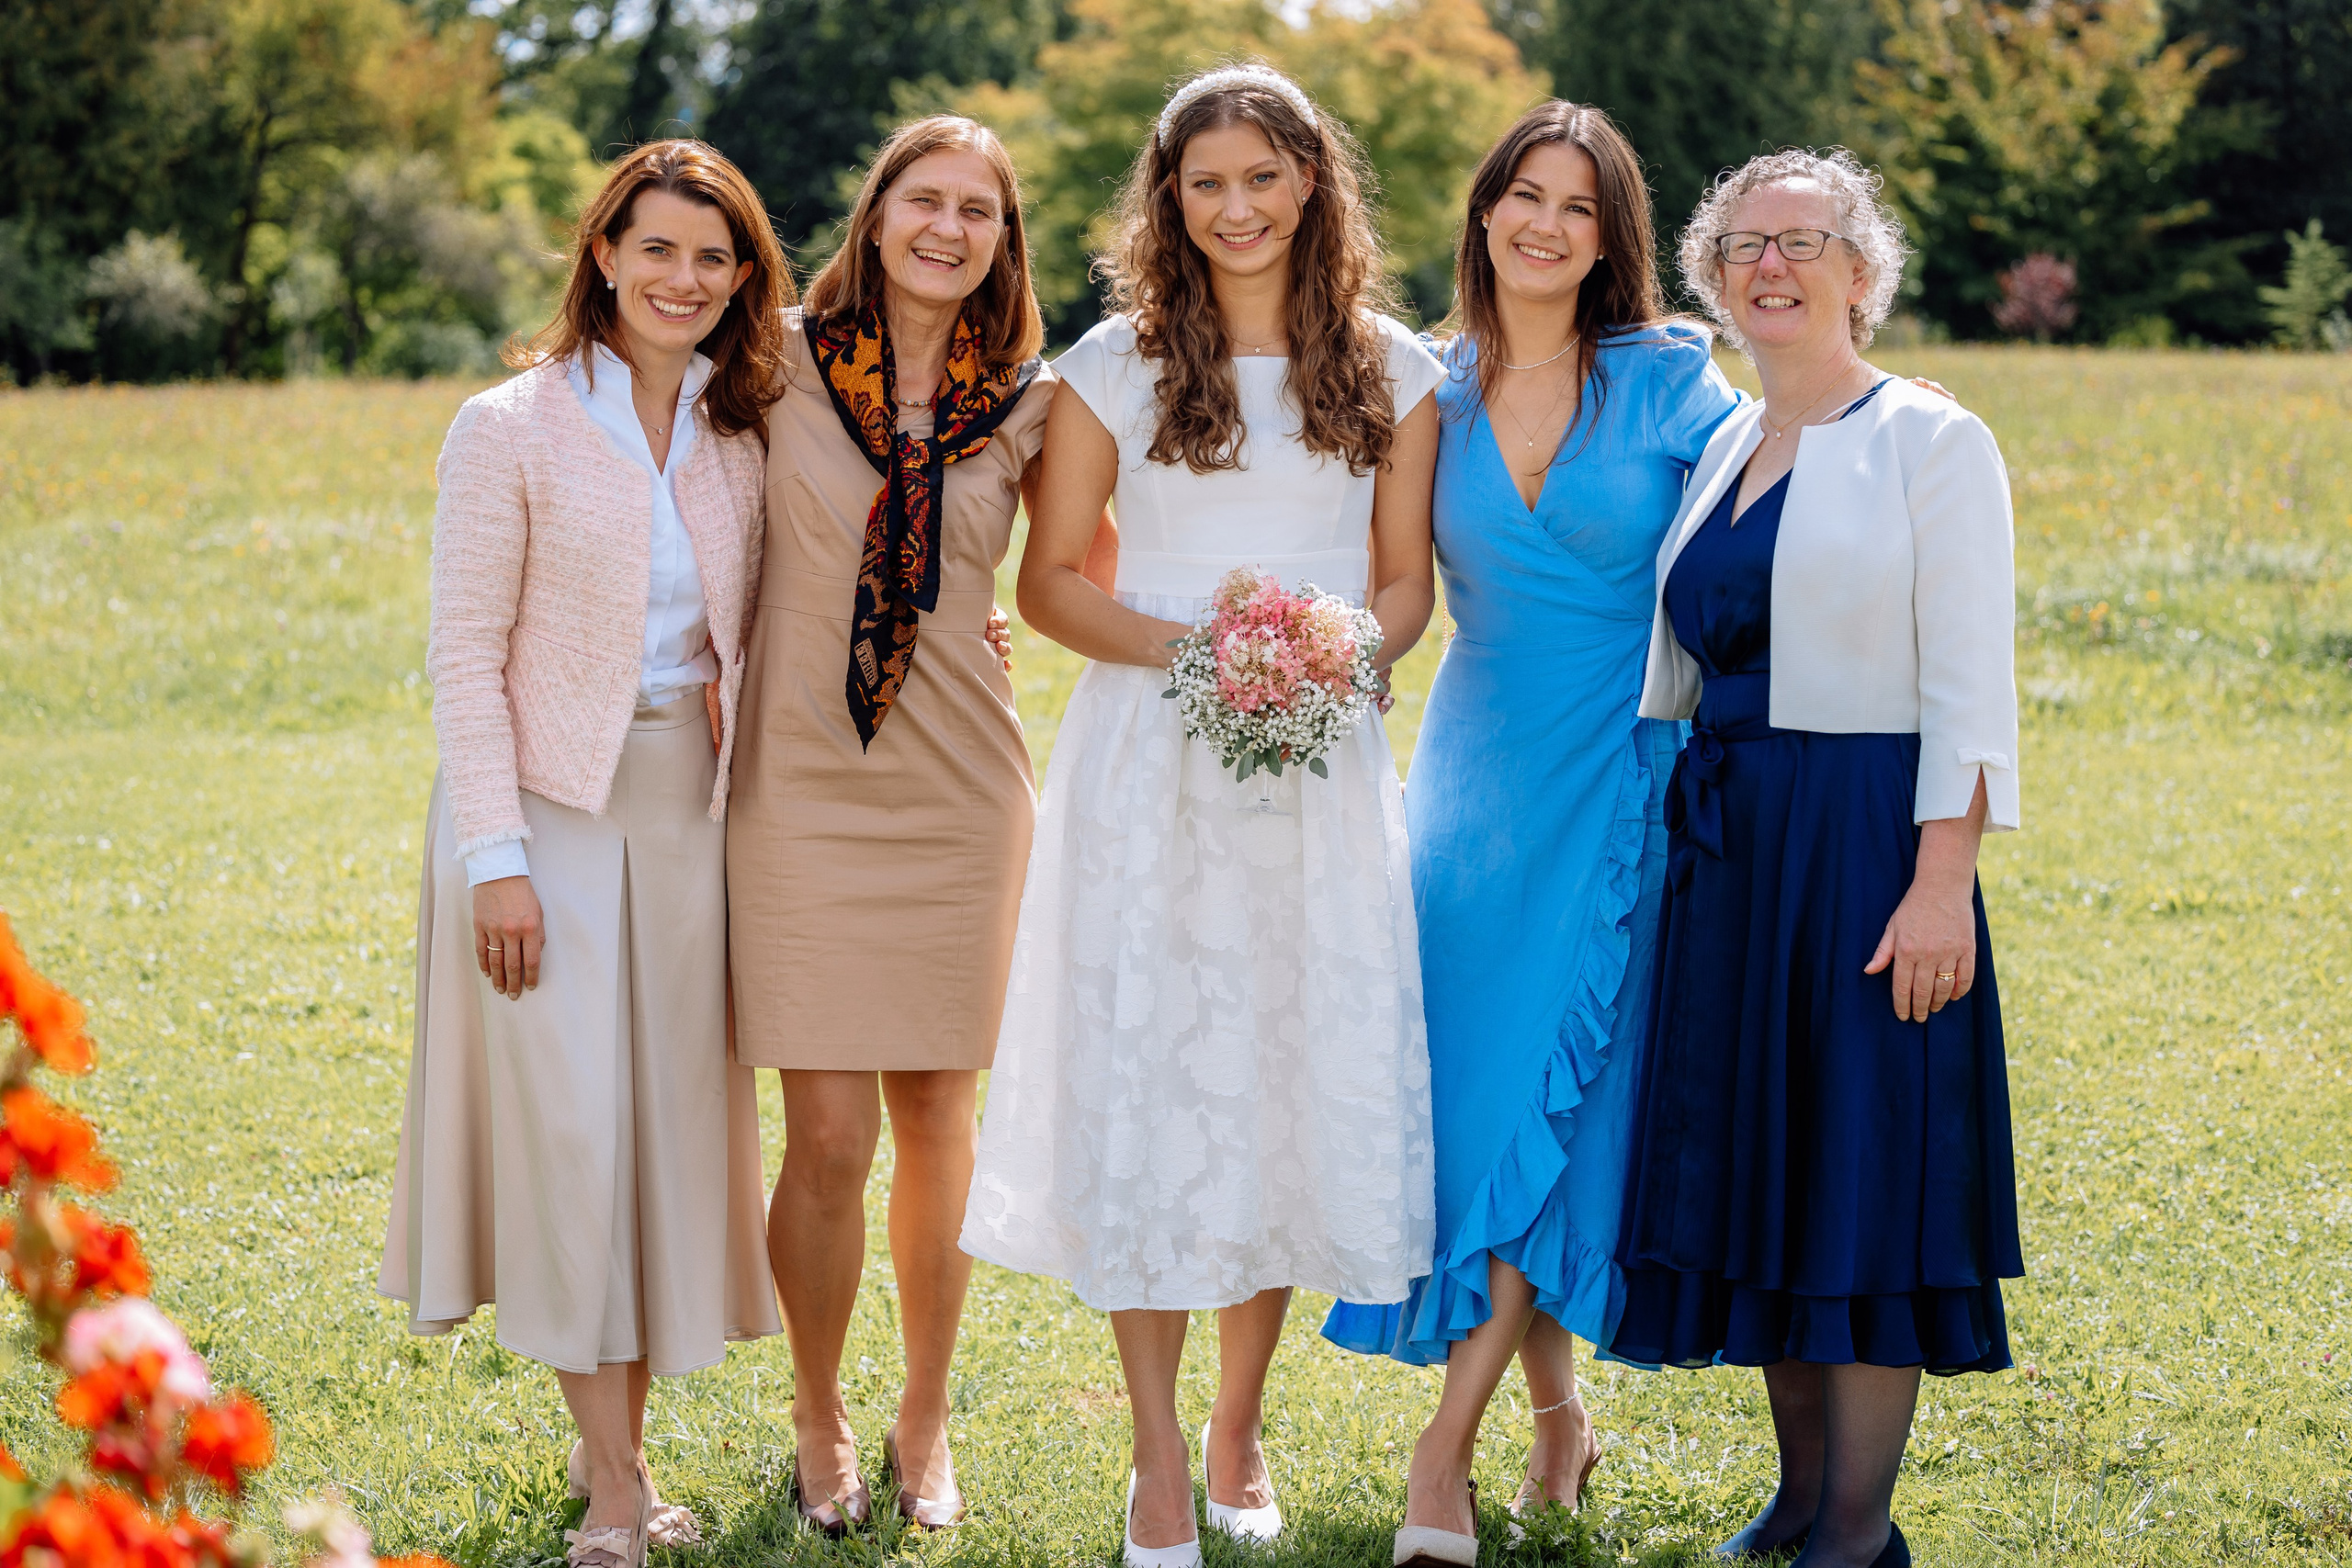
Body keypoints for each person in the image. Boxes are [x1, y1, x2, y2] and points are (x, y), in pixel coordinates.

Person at [958, 63, 1443, 1568]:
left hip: (1316, 764)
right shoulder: (1114, 364)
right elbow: (1052, 588)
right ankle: (1157, 1456)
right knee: (1158, 1085)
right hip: (1150, 767)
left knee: (1282, 1082)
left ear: (1313, 184)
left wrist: (1331, 656)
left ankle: (1242, 1427)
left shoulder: (1399, 371)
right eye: (1205, 182)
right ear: (1170, 200)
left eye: (1263, 176)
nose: (1236, 207)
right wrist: (1210, 657)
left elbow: (1404, 587)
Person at [1313, 103, 1743, 1567]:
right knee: (1495, 1102)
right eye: (1524, 196)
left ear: (1612, 236)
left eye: (1580, 205)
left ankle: (1443, 1459)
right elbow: (1389, 590)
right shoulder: (1425, 392)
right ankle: (1558, 1423)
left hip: (1628, 775)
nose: (1546, 225)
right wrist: (1301, 667)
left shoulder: (1676, 380)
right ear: (1485, 211)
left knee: (1569, 1093)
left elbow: (1771, 525)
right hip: (1478, 786)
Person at [1607, 148, 2024, 1568]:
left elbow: (1970, 683)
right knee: (1766, 1164)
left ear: (1862, 272)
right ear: (1714, 279)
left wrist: (1941, 881)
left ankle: (1857, 1529)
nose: (1770, 266)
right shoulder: (1726, 443)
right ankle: (1794, 1500)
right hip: (1732, 846)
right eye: (1743, 245)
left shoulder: (1931, 437)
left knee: (1858, 1160)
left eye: (1804, 241)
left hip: (1862, 839)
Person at [377, 141, 790, 1568]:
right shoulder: (509, 425)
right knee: (567, 1137)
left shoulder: (748, 426)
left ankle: (605, 1441)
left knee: (654, 1136)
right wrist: (495, 854)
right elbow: (463, 653)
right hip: (541, 814)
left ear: (744, 282)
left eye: (713, 257)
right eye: (657, 248)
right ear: (604, 252)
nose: (683, 279)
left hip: (689, 816)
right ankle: (618, 1491)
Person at [724, 113, 1093, 1536]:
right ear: (876, 217)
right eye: (924, 201)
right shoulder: (770, 367)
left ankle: (922, 1417)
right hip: (801, 788)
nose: (949, 229)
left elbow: (1073, 577)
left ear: (1005, 241)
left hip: (961, 791)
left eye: (980, 211)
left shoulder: (1036, 404)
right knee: (823, 1136)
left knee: (943, 1119)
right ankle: (818, 1415)